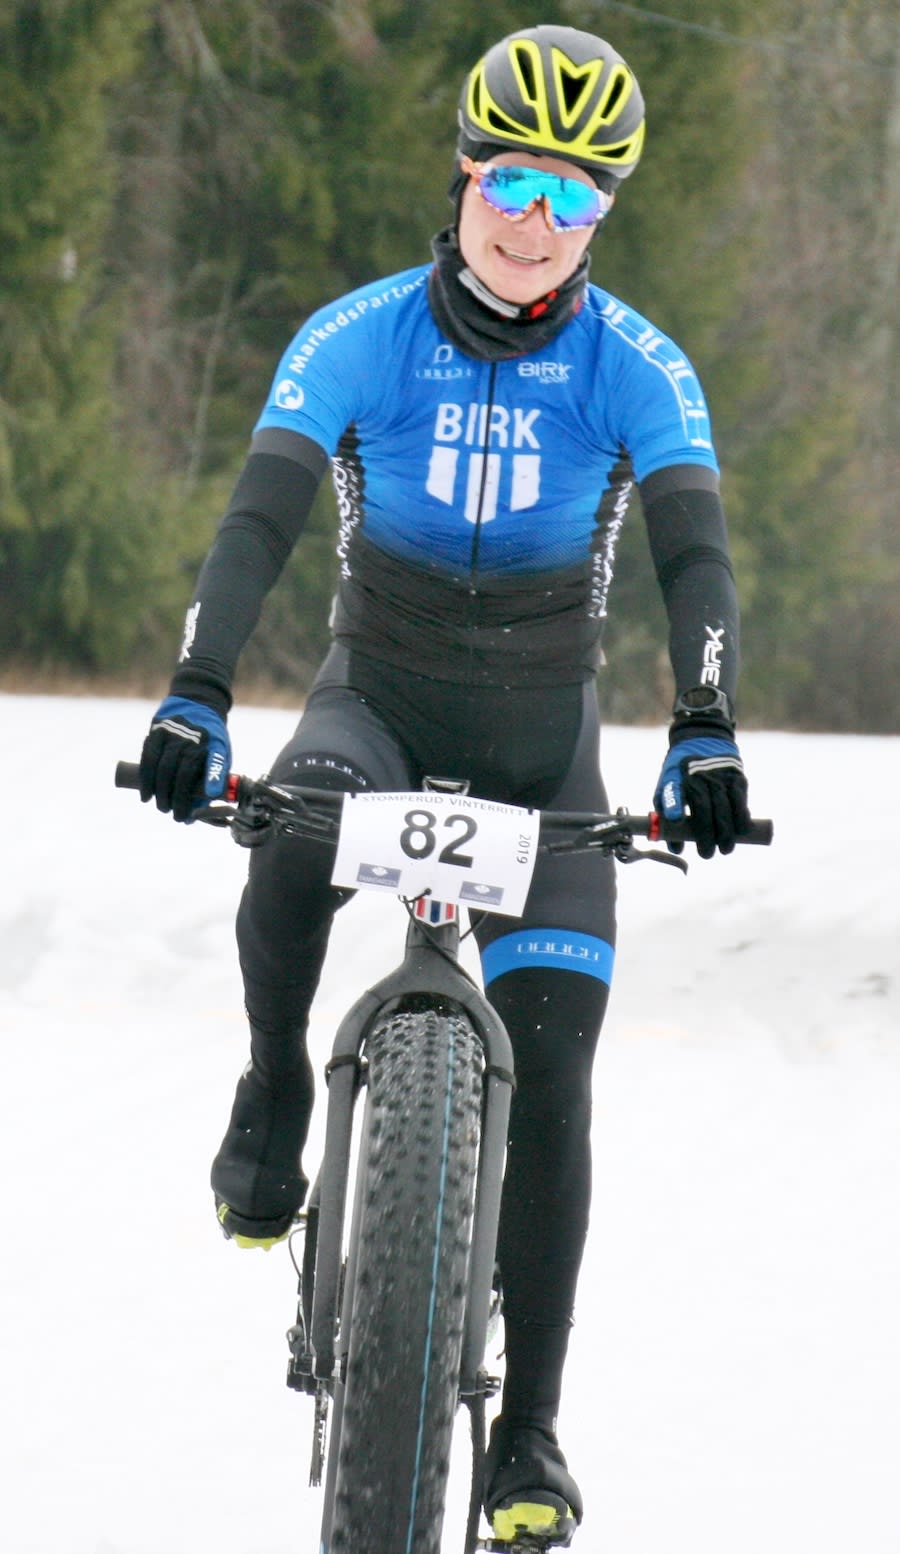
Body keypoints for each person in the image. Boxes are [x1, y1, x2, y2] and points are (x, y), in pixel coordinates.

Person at [139, 24, 753, 1547]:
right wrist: (198, 694)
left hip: (549, 755)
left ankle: (531, 1430)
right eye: (519, 180)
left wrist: (709, 724)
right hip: (380, 707)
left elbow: (693, 554)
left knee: (554, 1083)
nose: (537, 224)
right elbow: (260, 517)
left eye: (577, 198)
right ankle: (278, 1084)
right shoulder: (357, 333)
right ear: (467, 167)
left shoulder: (640, 367)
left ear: (604, 213)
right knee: (286, 842)